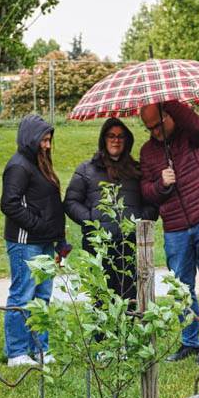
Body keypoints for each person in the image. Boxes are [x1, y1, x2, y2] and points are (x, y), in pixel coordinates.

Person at [139, 101, 199, 367]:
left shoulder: (192, 135)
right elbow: (146, 190)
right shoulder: (147, 152)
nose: (155, 132)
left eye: (158, 125)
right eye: (149, 128)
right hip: (175, 228)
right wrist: (161, 184)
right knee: (182, 290)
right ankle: (190, 341)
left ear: (169, 115)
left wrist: (170, 102)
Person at [64, 118, 157, 302]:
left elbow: (153, 202)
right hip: (98, 247)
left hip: (130, 248)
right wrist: (91, 219)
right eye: (111, 136)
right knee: (101, 302)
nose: (116, 140)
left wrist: (138, 221)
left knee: (129, 302)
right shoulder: (86, 169)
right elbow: (70, 201)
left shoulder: (137, 171)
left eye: (121, 136)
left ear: (127, 140)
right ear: (103, 139)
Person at [0, 114, 66, 367]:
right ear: (31, 138)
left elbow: (51, 206)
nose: (47, 145)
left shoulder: (41, 164)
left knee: (42, 296)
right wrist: (38, 226)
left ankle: (40, 348)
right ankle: (16, 352)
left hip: (45, 242)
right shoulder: (18, 166)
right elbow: (9, 204)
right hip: (25, 242)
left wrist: (59, 240)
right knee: (22, 295)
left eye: (49, 140)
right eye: (43, 140)